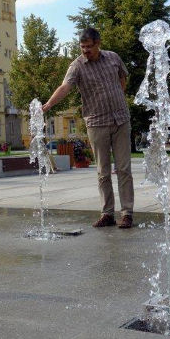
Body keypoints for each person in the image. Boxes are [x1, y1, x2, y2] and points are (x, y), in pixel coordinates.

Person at [42, 27, 134, 228]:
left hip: (121, 119)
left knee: (124, 168)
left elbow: (122, 77)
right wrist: (49, 104)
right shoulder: (77, 66)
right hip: (96, 122)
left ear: (98, 44)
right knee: (103, 171)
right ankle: (107, 213)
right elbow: (65, 87)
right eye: (82, 47)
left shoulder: (113, 58)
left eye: (89, 47)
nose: (85, 51)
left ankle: (127, 213)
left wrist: (118, 96)